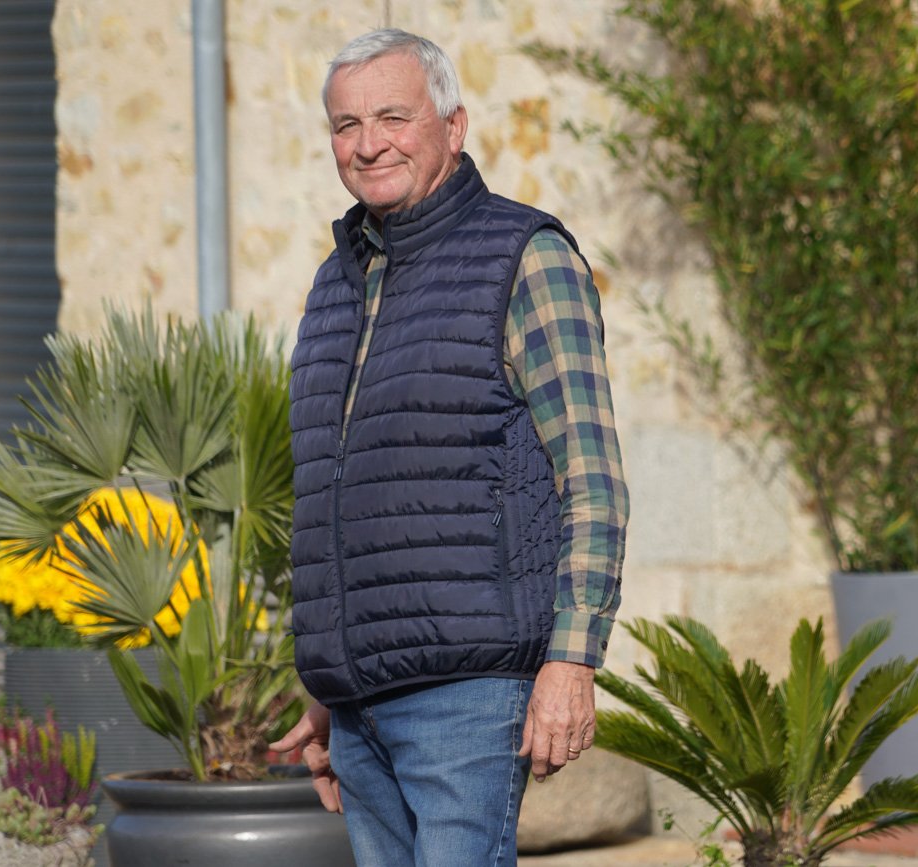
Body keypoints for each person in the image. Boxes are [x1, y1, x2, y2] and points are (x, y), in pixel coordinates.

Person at [270, 27, 628, 867]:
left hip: (468, 698)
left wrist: (572, 661)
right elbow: (342, 496)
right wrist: (332, 680)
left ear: (454, 126)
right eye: (347, 124)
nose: (368, 144)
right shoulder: (336, 281)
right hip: (358, 711)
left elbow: (593, 480)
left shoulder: (525, 259)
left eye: (393, 117)